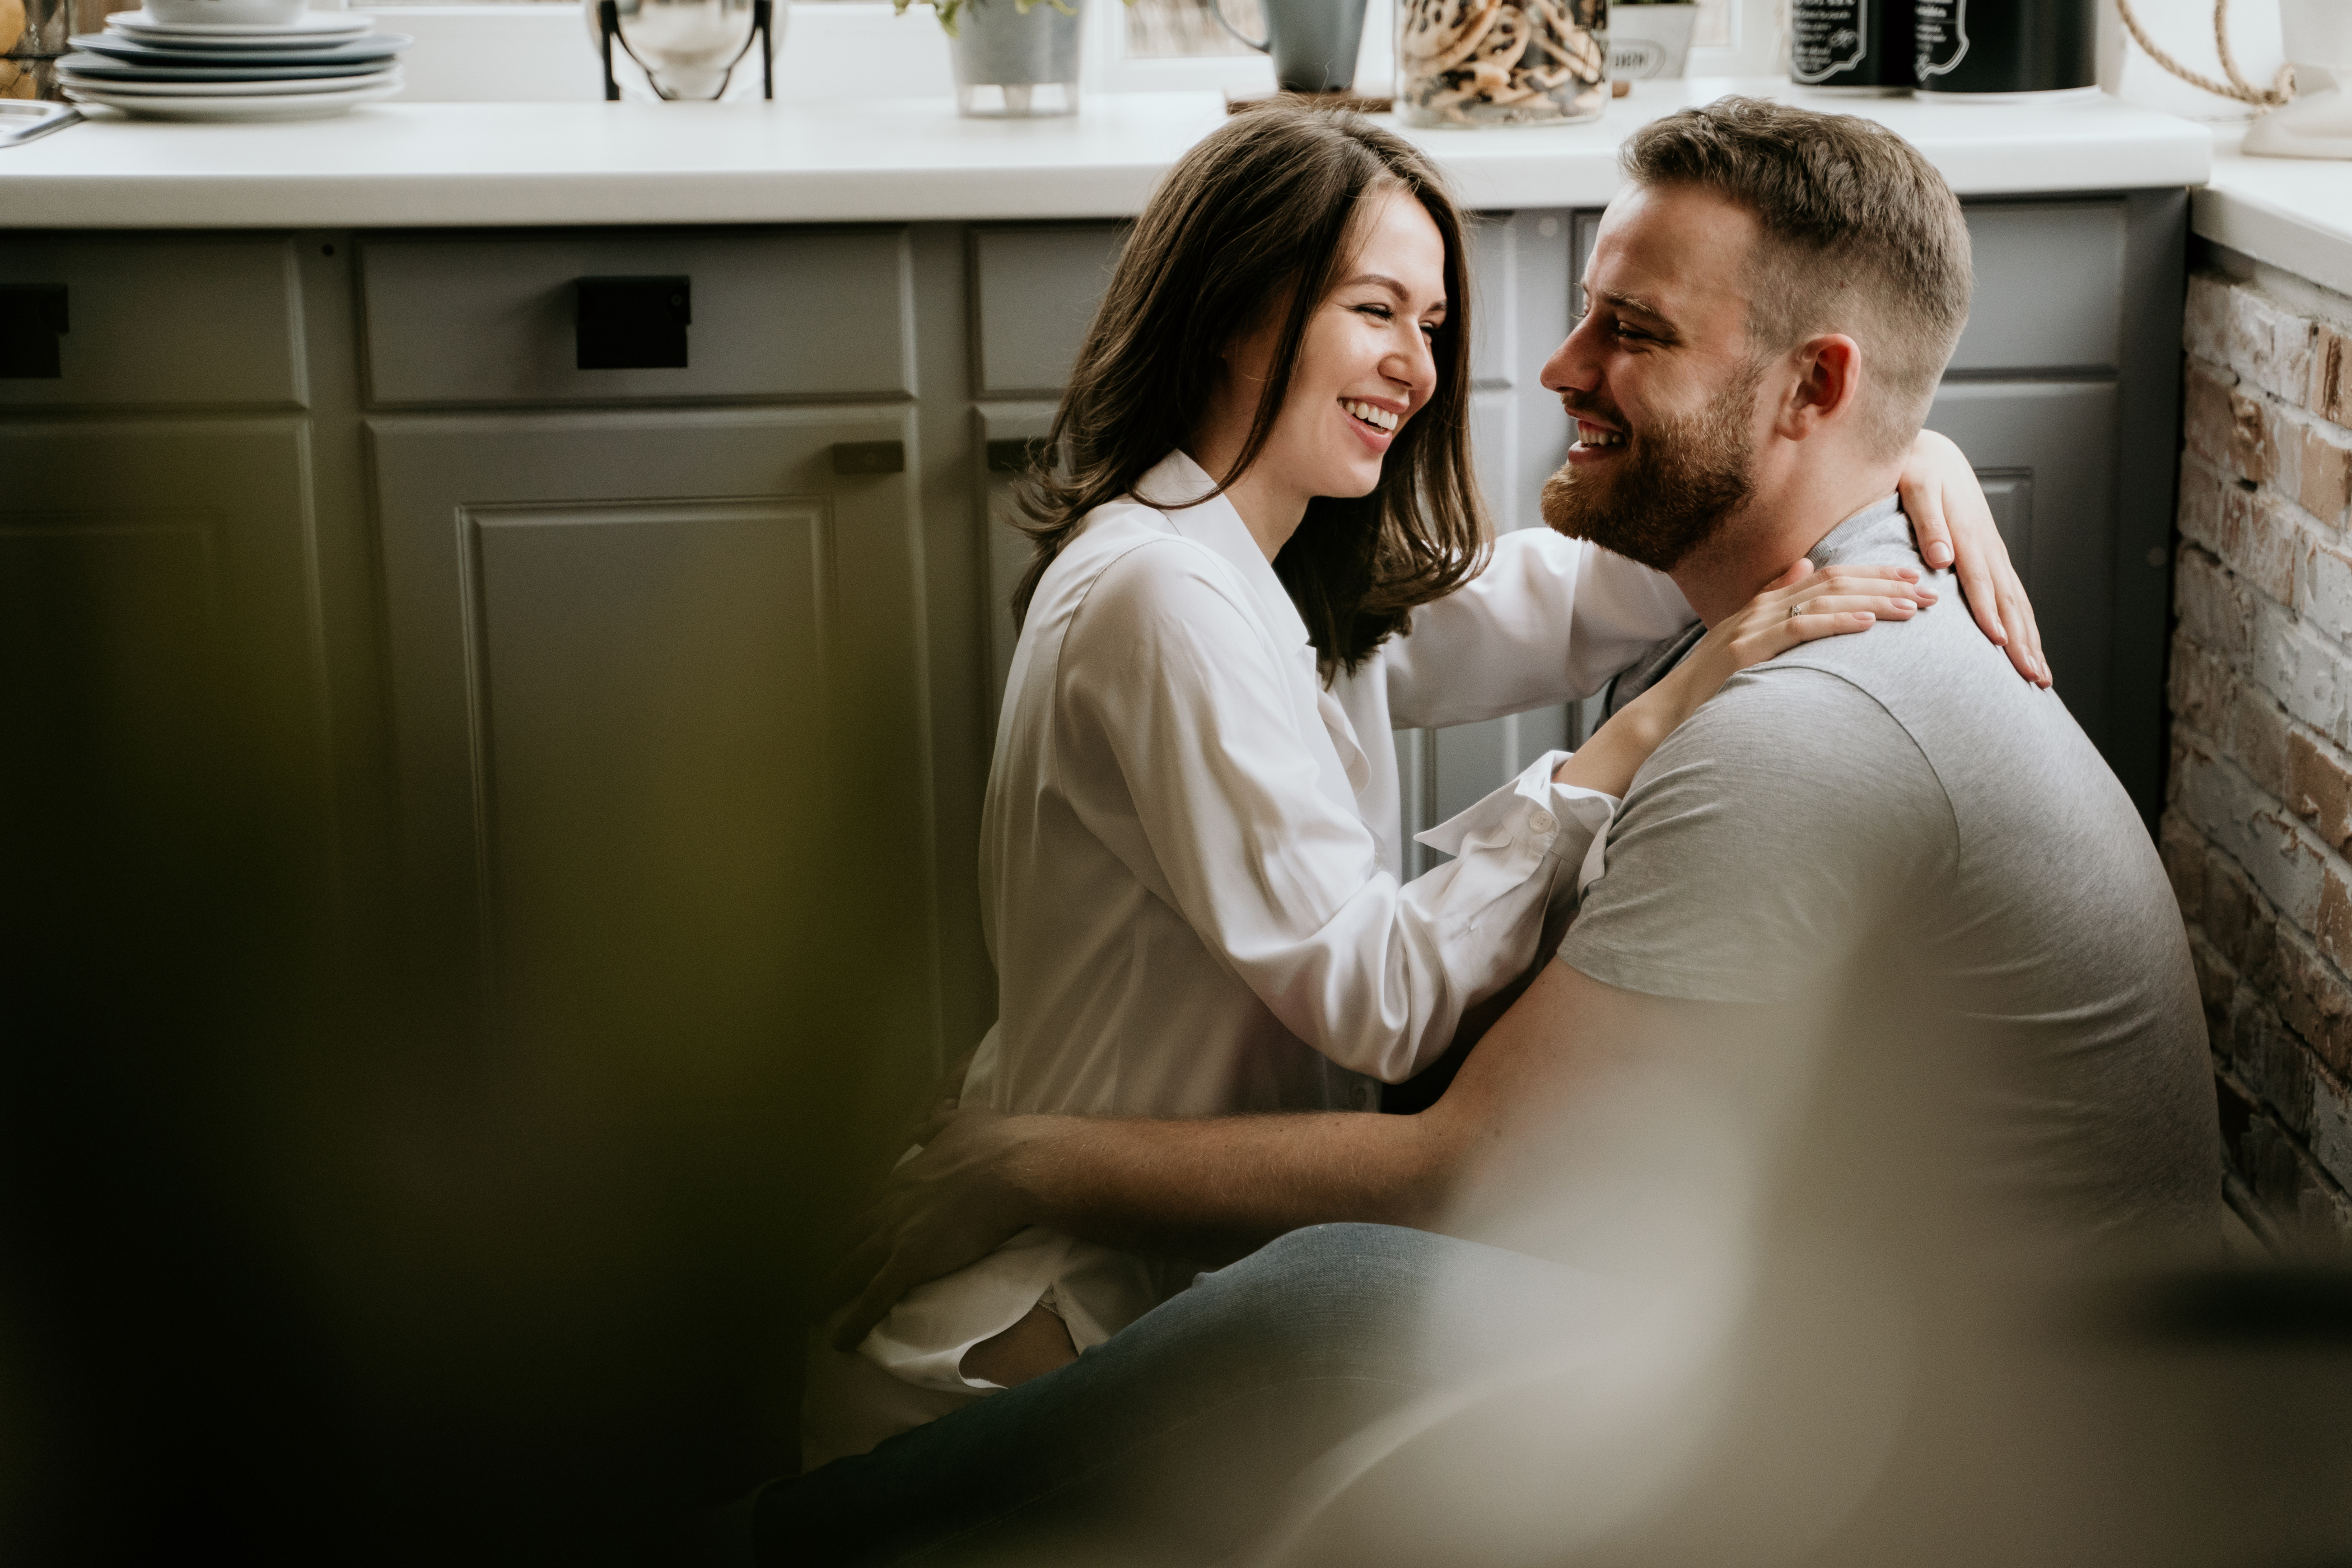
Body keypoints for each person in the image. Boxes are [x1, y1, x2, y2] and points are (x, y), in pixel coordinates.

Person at [760, 98, 2215, 1565]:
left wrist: (1895, 443)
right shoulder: (1167, 595)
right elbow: (1380, 1004)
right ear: (1233, 320)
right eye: (1376, 308)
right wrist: (1641, 730)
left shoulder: (1285, 574)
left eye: (1436, 320)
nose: (1450, 362)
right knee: (1312, 1313)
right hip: (1048, 1291)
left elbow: (1616, 578)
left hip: (1157, 1251)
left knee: (1331, 1309)